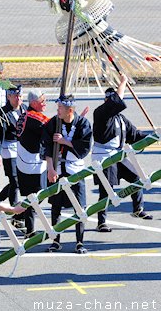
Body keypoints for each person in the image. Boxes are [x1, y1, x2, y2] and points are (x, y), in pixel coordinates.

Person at [93, 74, 152, 233]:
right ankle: (101, 221)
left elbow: (135, 136)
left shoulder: (121, 119)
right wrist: (123, 82)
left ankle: (137, 208)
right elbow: (117, 100)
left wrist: (153, 136)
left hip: (118, 156)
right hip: (104, 157)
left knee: (136, 178)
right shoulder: (100, 114)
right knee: (107, 189)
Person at [43, 94, 92, 254]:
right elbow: (47, 147)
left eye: (60, 108)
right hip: (57, 169)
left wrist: (65, 141)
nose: (57, 110)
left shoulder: (83, 124)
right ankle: (55, 240)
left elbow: (84, 148)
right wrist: (50, 168)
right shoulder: (54, 123)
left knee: (79, 207)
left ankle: (79, 241)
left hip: (75, 171)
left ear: (69, 110)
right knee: (55, 206)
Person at [16, 89, 49, 238]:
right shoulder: (33, 116)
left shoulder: (29, 114)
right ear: (34, 103)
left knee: (36, 196)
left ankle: (20, 214)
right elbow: (51, 125)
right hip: (31, 163)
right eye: (43, 101)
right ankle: (29, 229)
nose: (45, 104)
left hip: (30, 161)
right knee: (35, 196)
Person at [0, 85, 28, 228]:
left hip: (22, 148)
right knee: (14, 179)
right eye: (15, 96)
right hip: (8, 148)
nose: (18, 99)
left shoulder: (24, 108)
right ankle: (17, 213)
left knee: (19, 180)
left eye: (20, 96)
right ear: (9, 97)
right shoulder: (2, 113)